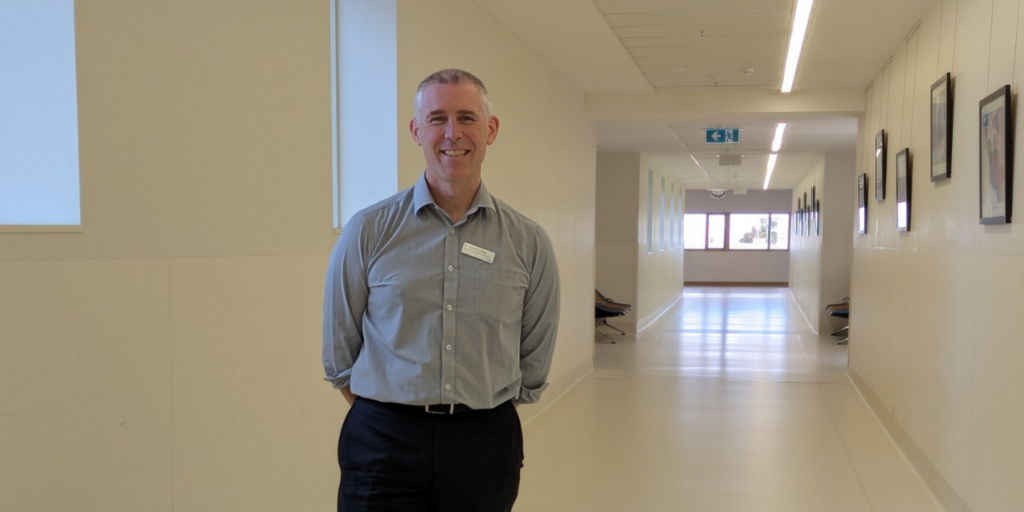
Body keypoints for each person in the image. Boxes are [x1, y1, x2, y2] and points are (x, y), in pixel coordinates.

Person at [322, 68, 561, 512]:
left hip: (484, 443)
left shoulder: (528, 241)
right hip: (382, 441)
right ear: (417, 130)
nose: (453, 133)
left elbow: (535, 352)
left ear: (490, 129)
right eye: (437, 119)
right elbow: (339, 349)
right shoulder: (369, 230)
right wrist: (392, 409)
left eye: (467, 117)